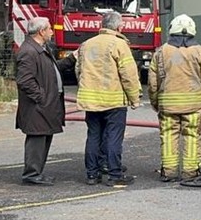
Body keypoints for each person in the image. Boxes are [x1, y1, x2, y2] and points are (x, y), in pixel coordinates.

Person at [148, 15, 201, 182]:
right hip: (194, 105)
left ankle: (169, 172)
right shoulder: (199, 51)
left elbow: (153, 81)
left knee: (168, 136)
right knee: (192, 136)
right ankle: (191, 172)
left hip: (168, 105)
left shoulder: (161, 51)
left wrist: (155, 101)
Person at [75, 11, 141, 186]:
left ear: (102, 25)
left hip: (91, 100)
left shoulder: (86, 45)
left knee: (93, 136)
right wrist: (134, 98)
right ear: (119, 27)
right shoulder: (119, 44)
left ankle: (92, 175)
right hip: (113, 101)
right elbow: (128, 75)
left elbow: (78, 70)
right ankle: (114, 174)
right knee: (113, 137)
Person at [14, 17, 76, 185]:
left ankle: (36, 173)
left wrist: (72, 59)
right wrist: (41, 97)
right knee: (37, 139)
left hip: (44, 104)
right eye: (49, 29)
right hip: (38, 107)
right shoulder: (29, 51)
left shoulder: (40, 48)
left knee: (43, 138)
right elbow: (25, 80)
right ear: (41, 31)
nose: (52, 31)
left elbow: (53, 68)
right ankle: (32, 174)